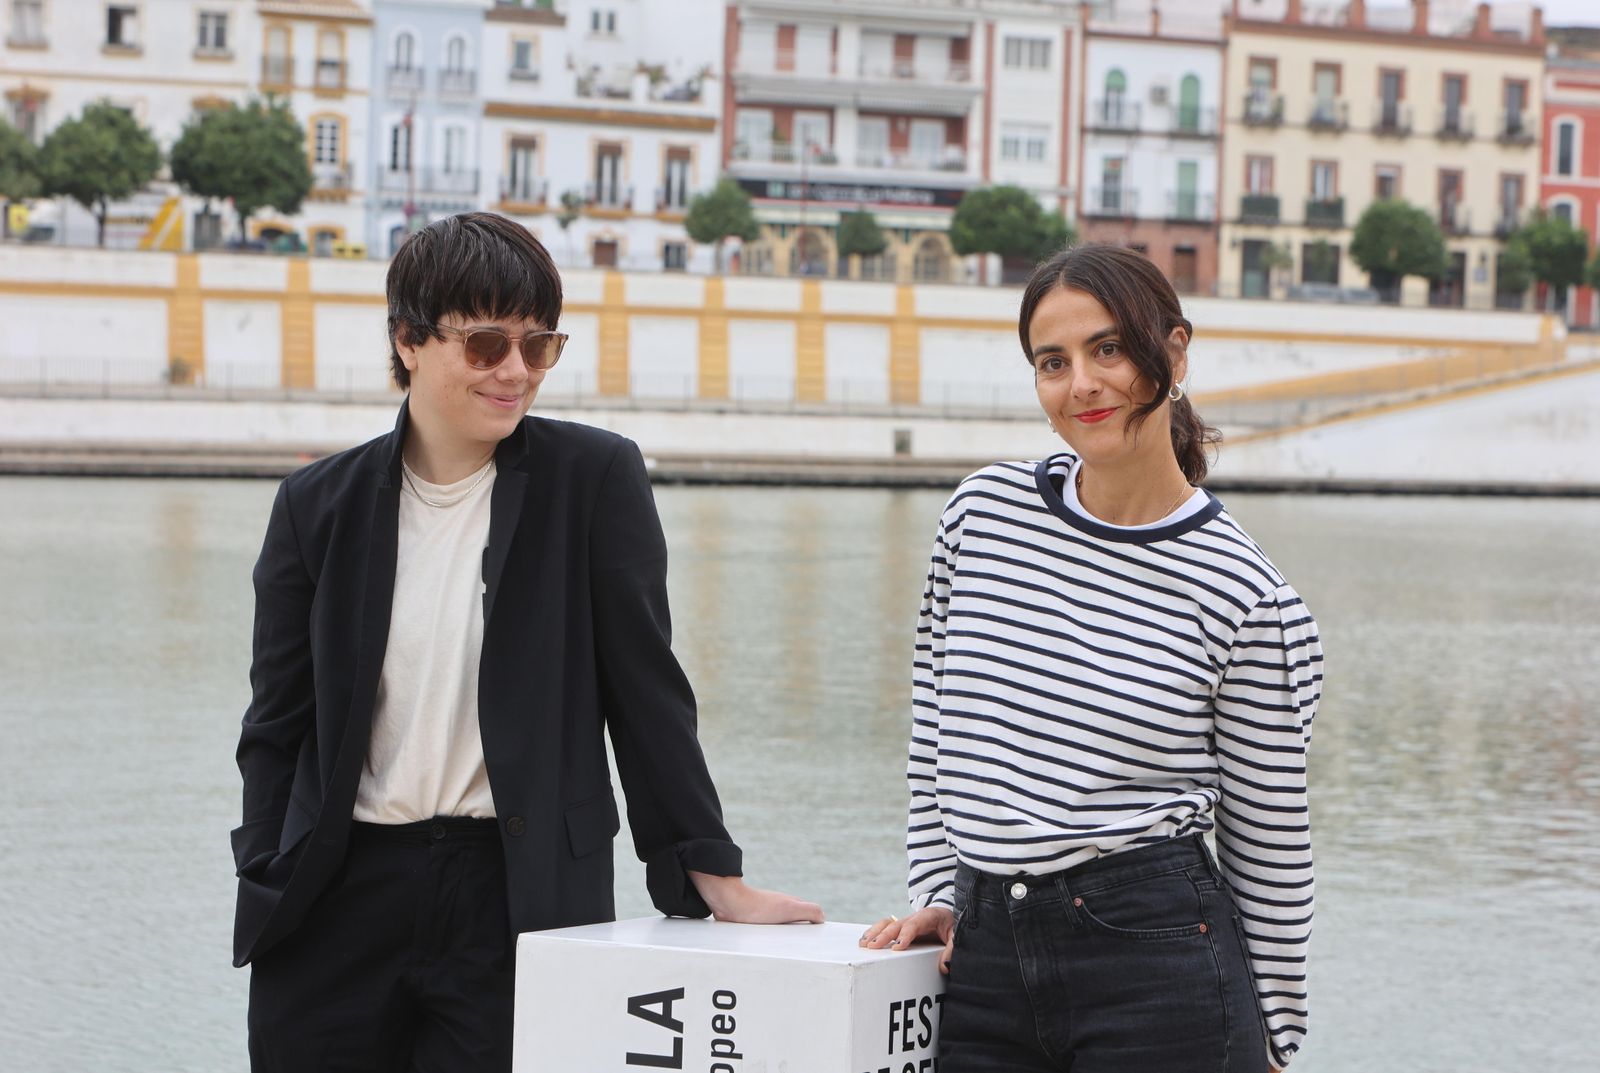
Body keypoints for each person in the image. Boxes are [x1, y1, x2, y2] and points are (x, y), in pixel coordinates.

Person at [231, 212, 822, 1071]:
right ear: (408, 340)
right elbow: (276, 722)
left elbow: (646, 691)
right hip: (335, 897)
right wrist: (264, 864)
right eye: (485, 345)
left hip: (516, 895)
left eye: (538, 346)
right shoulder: (315, 506)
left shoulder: (594, 480)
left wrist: (710, 869)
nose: (515, 371)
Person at [861, 244, 1322, 1073]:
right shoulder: (982, 516)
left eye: (1108, 348)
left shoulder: (1249, 595)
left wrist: (1278, 1036)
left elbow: (1270, 842)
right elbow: (937, 724)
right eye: (1053, 361)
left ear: (1173, 352)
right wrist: (937, 890)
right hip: (985, 957)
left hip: (1159, 961)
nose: (1082, 384)